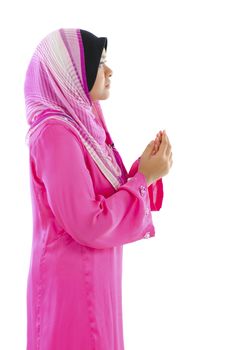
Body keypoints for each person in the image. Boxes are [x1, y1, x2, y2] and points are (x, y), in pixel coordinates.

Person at [24, 27, 173, 350]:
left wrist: (143, 171)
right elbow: (87, 221)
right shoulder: (56, 134)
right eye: (99, 62)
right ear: (72, 72)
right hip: (72, 287)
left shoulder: (83, 125)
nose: (109, 71)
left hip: (92, 276)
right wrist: (143, 180)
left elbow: (101, 194)